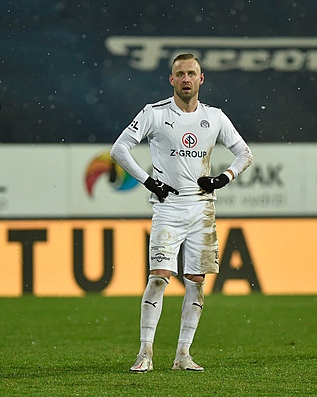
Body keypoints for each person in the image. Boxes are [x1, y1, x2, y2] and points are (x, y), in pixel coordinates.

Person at [110, 54, 253, 373]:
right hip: (168, 208)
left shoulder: (214, 117)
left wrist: (222, 178)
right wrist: (149, 181)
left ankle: (182, 355)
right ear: (171, 80)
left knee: (196, 281)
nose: (186, 78)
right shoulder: (155, 113)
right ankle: (145, 352)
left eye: (191, 73)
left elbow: (244, 153)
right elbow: (119, 149)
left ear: (201, 79)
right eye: (180, 74)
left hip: (202, 209)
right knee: (159, 277)